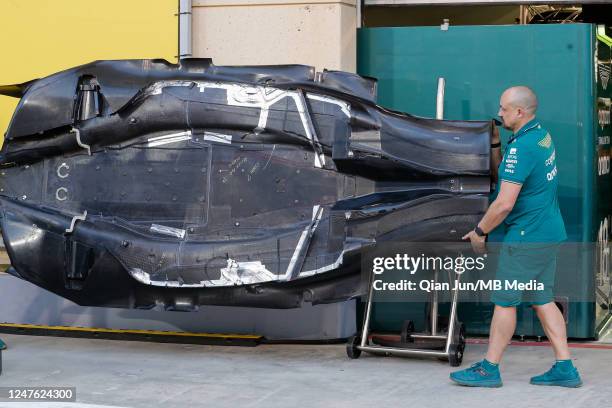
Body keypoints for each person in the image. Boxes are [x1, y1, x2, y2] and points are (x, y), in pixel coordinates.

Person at [450, 86, 582, 388]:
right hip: (547, 231)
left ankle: (489, 369)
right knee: (542, 298)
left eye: (504, 108)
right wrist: (496, 145)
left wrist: (481, 231)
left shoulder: (523, 147)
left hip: (526, 237)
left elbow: (504, 202)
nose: (499, 113)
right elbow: (510, 175)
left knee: (505, 302)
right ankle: (565, 367)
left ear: (519, 112)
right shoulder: (539, 136)